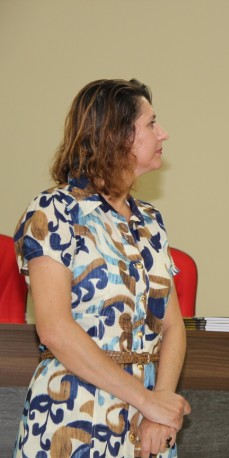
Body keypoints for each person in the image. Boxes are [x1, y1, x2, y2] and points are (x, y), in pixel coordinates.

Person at [13, 79, 191, 458]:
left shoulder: (151, 221)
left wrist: (159, 406)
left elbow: (173, 325)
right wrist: (148, 400)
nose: (163, 133)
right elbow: (55, 329)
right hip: (74, 412)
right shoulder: (54, 210)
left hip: (148, 424)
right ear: (116, 135)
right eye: (151, 123)